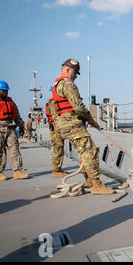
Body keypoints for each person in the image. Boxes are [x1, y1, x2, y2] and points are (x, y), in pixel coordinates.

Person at [51, 59, 114, 195]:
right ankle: (97, 184)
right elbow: (78, 107)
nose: (75, 77)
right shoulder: (68, 84)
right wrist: (91, 120)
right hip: (72, 123)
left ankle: (89, 181)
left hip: (65, 123)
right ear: (69, 70)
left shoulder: (56, 84)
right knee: (89, 151)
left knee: (83, 153)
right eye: (75, 73)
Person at [45, 97, 68, 178]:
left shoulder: (56, 102)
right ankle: (55, 170)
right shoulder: (53, 103)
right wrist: (62, 130)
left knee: (60, 148)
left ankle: (58, 169)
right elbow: (56, 118)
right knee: (57, 149)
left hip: (57, 128)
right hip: (56, 129)